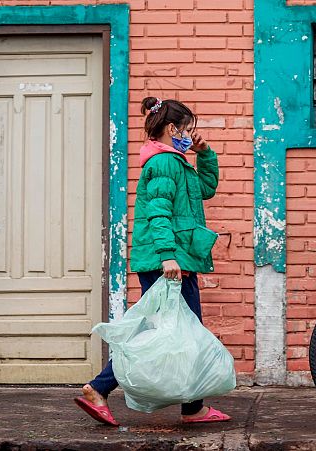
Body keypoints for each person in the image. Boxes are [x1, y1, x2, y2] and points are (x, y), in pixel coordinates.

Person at [74, 97, 230, 426]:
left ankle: (188, 407)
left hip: (173, 260)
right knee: (177, 334)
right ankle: (103, 389)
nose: (191, 135)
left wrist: (204, 154)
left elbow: (206, 188)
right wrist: (168, 256)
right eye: (188, 130)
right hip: (168, 263)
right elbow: (158, 213)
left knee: (176, 332)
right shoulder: (163, 164)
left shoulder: (176, 162)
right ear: (172, 129)